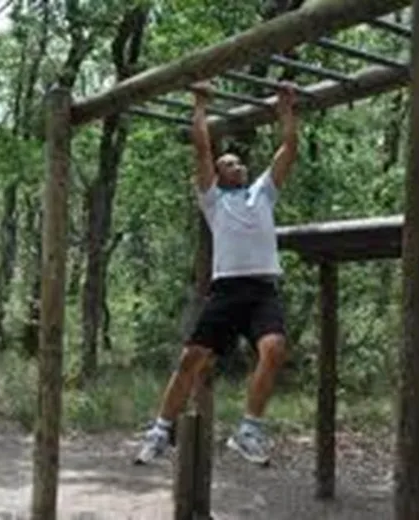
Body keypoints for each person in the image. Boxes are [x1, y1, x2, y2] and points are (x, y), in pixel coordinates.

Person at [135, 81, 299, 466]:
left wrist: (285, 109)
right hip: (226, 290)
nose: (237, 165)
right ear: (218, 175)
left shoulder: (263, 193)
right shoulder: (212, 200)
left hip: (263, 289)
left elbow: (288, 149)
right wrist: (199, 105)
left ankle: (249, 431)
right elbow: (202, 148)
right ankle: (160, 431)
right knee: (192, 357)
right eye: (229, 164)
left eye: (239, 163)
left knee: (274, 349)